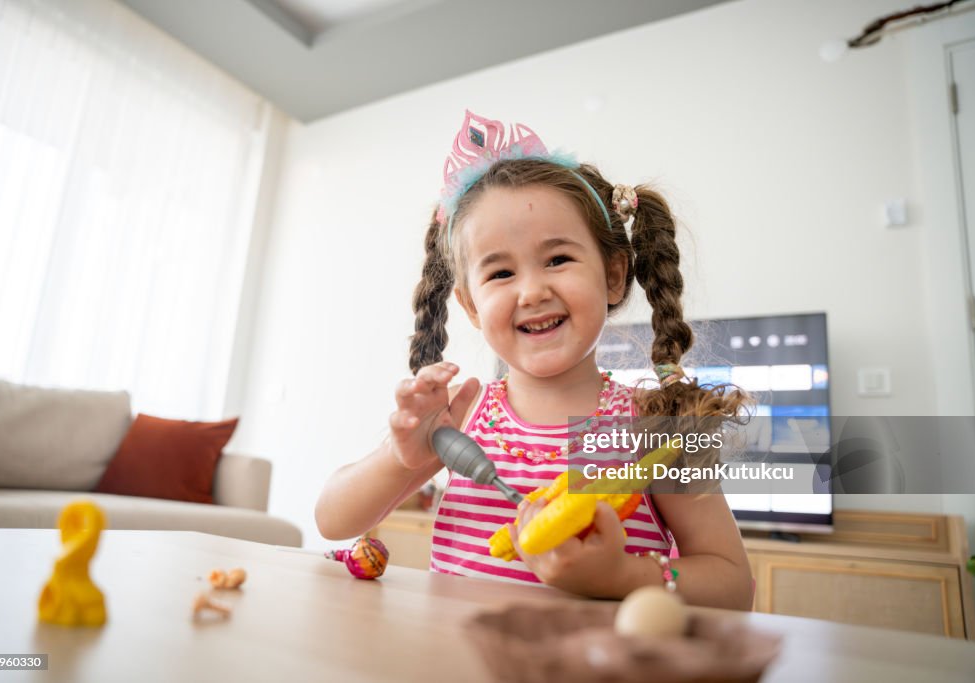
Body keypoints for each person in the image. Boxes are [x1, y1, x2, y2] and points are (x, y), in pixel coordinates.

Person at [316, 111, 755, 608]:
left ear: (613, 275)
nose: (531, 291)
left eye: (558, 259)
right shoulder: (463, 416)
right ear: (471, 306)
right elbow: (334, 521)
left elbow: (733, 585)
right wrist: (399, 460)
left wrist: (620, 575)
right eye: (500, 272)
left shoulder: (653, 427)